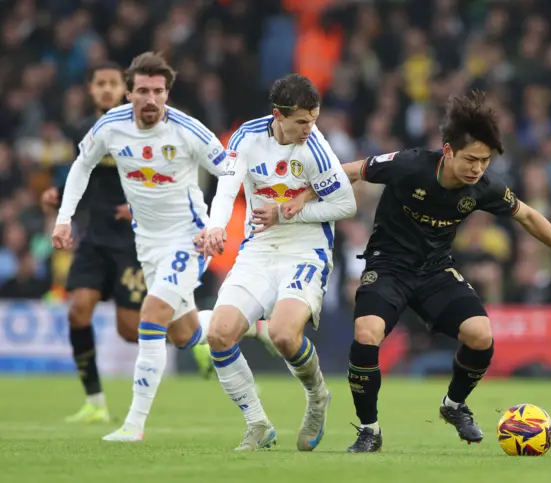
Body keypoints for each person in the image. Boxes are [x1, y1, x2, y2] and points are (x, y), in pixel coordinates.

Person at [287, 91, 551, 452]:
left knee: (480, 335)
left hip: (436, 270)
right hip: (388, 266)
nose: (477, 168)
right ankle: (369, 430)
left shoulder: (483, 187)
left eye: (484, 161)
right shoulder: (409, 165)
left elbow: (528, 215)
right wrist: (305, 194)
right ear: (448, 151)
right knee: (367, 332)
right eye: (471, 159)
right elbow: (352, 171)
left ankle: (453, 406)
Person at [51, 52, 273, 442]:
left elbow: (230, 169)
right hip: (147, 244)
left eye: (157, 91)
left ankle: (133, 426)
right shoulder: (111, 126)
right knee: (183, 335)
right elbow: (81, 166)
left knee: (150, 316)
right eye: (142, 91)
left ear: (167, 93)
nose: (150, 99)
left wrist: (217, 225)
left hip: (188, 241)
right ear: (129, 93)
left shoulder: (188, 130)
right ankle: (254, 328)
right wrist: (64, 218)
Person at [199, 73, 357, 451]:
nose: (310, 128)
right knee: (219, 334)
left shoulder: (316, 149)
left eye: (314, 119)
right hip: (258, 250)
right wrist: (216, 227)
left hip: (305, 251)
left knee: (284, 335)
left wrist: (286, 214)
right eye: (302, 121)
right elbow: (226, 188)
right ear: (278, 115)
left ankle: (317, 397)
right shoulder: (246, 138)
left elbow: (345, 204)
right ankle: (257, 423)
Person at [42, 62, 149, 424]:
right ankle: (95, 402)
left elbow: (161, 174)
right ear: (90, 89)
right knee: (78, 309)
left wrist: (139, 204)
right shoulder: (84, 130)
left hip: (133, 241)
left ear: (125, 88)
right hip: (95, 237)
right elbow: (81, 177)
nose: (106, 89)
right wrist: (58, 196)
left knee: (130, 330)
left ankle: (195, 335)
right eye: (99, 83)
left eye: (112, 83)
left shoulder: (140, 129)